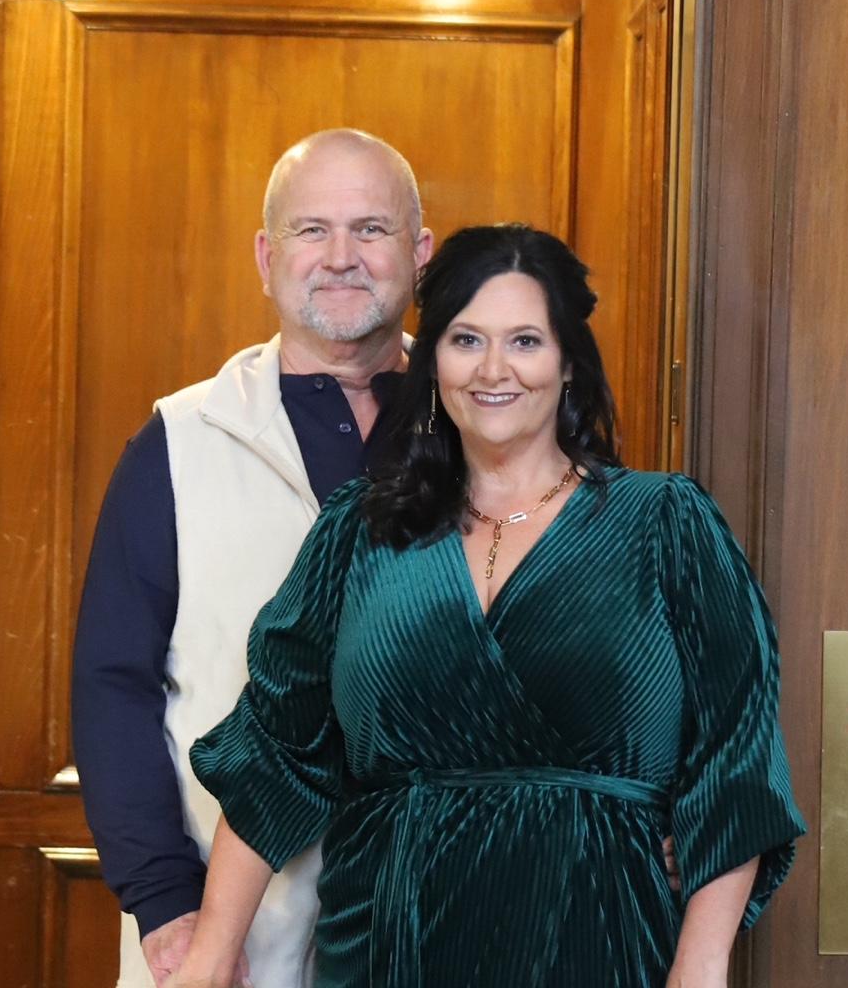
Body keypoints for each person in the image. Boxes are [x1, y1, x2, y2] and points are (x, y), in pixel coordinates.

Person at [175, 224, 803, 988]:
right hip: (387, 950)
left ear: (568, 362)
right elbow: (277, 749)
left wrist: (699, 970)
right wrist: (209, 958)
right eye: (467, 340)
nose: (494, 369)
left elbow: (735, 760)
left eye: (525, 341)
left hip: (601, 945)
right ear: (433, 361)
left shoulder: (666, 525)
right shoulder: (359, 532)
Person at [71, 129, 433, 988]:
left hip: (434, 924)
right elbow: (114, 685)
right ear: (267, 258)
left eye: (371, 229)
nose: (340, 257)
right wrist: (166, 906)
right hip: (226, 939)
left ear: (420, 254)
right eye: (312, 230)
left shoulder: (486, 428)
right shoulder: (179, 440)